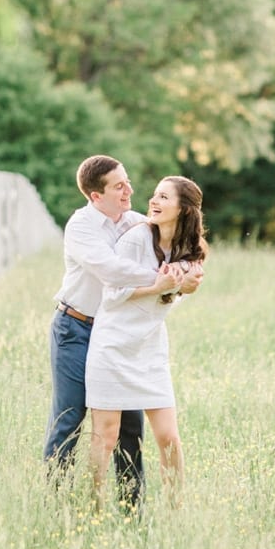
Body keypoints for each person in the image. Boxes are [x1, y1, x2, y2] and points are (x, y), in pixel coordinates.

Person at [44, 155, 202, 510]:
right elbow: (113, 272)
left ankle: (132, 508)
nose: (130, 190)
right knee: (70, 418)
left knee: (130, 429)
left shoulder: (134, 223)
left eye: (127, 181)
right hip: (77, 327)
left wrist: (186, 275)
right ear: (95, 196)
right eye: (119, 186)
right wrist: (165, 281)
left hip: (117, 332)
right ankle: (57, 504)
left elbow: (171, 241)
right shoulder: (81, 227)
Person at [87, 176, 210, 509]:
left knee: (168, 437)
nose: (153, 201)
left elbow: (175, 295)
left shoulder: (190, 249)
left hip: (149, 348)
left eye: (164, 197)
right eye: (154, 195)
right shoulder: (137, 238)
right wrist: (159, 288)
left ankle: (175, 510)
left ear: (183, 209)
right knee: (106, 437)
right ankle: (93, 511)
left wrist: (181, 289)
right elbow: (112, 294)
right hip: (112, 345)